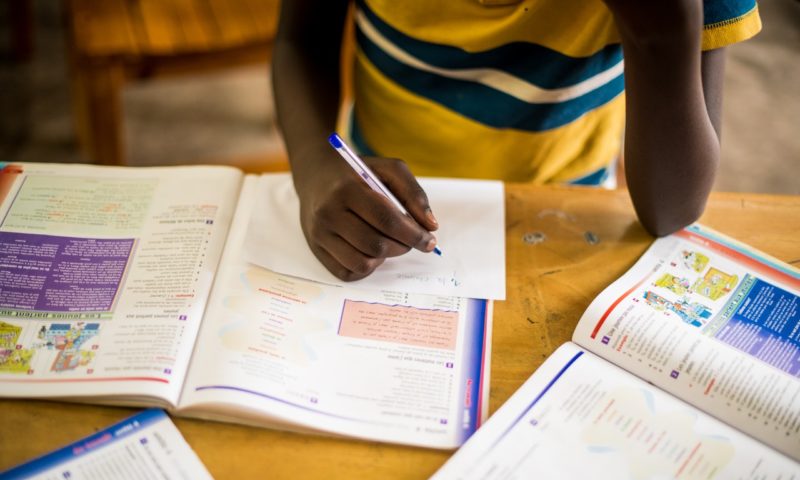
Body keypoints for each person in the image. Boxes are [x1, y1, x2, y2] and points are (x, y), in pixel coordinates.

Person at [271, 0, 761, 281]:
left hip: (569, 209)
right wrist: (316, 168)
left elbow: (671, 210)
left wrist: (665, 33)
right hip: (374, 194)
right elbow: (301, 40)